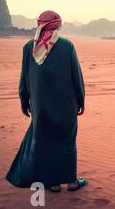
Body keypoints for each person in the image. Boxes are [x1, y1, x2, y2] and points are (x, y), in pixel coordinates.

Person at [6, 10, 87, 193]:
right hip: (66, 107)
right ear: (57, 25)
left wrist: (24, 101)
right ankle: (72, 182)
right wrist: (81, 100)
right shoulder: (66, 46)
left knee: (46, 144)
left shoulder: (29, 48)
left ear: (39, 25)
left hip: (40, 108)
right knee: (67, 143)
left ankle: (53, 184)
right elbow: (77, 77)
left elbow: (24, 78)